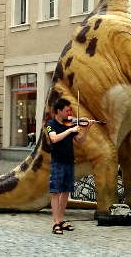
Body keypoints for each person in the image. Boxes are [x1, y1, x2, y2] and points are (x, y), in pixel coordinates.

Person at [46, 98, 92, 235]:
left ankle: (61, 220)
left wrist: (86, 130)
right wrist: (69, 130)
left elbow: (80, 140)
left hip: (69, 161)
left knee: (66, 191)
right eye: (67, 110)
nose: (69, 113)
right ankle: (55, 223)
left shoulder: (69, 124)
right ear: (59, 111)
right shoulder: (51, 124)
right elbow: (54, 139)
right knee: (56, 192)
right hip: (58, 162)